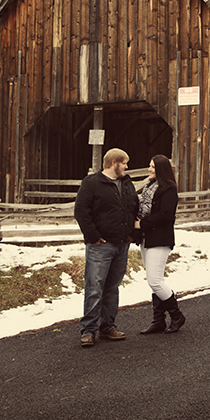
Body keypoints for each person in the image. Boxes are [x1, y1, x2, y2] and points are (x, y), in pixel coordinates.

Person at [74, 148, 139, 347]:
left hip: (121, 244)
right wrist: (92, 236)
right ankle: (88, 330)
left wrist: (132, 232)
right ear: (113, 163)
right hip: (100, 246)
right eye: (124, 163)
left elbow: (134, 208)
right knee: (94, 287)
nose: (127, 167)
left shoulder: (127, 184)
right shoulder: (92, 183)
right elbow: (81, 211)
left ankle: (107, 326)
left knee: (112, 288)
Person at [133, 154, 186, 334]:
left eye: (153, 167)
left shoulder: (168, 189)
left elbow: (166, 215)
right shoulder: (149, 187)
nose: (149, 169)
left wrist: (143, 223)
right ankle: (158, 321)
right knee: (154, 280)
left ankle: (177, 315)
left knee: (155, 281)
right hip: (146, 238)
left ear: (161, 169)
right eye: (149, 166)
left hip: (160, 238)